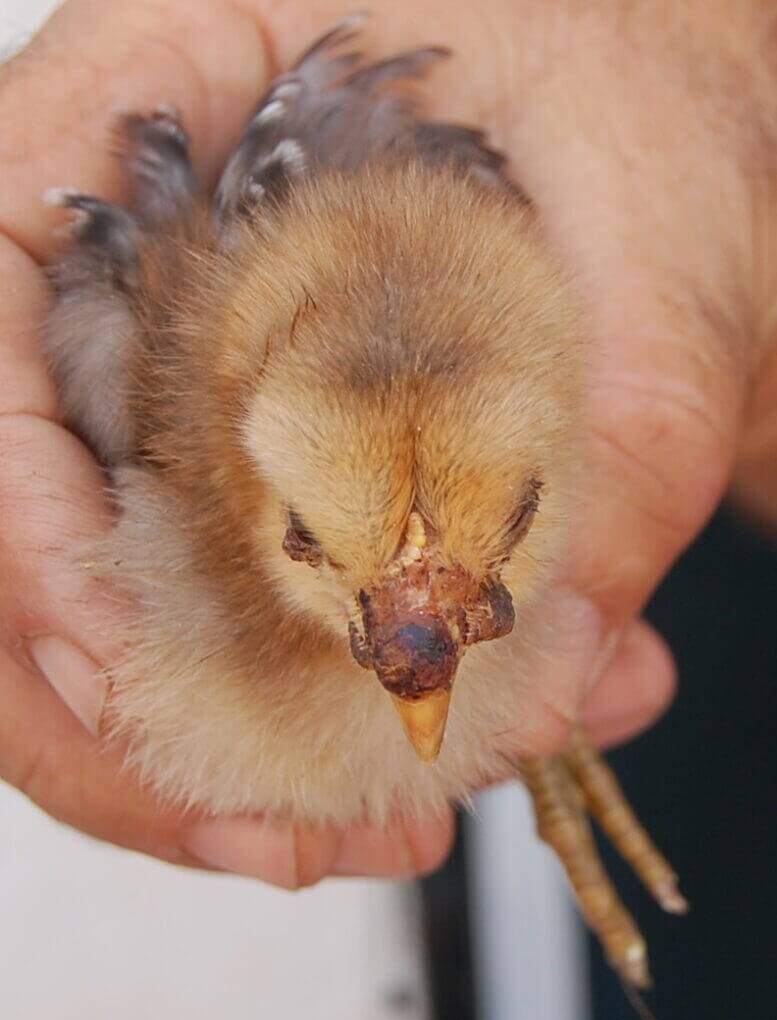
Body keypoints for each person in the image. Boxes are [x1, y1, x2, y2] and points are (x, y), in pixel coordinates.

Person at [1, 0, 774, 887]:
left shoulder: (563, 338)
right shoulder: (135, 415)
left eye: (515, 517)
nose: (422, 672)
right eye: (311, 537)